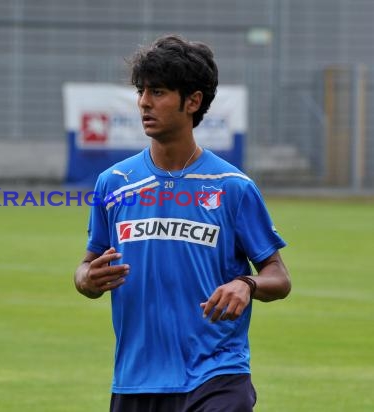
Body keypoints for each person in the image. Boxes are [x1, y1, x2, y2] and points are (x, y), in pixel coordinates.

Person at [73, 34, 291, 412]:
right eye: (142, 91)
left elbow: (279, 276)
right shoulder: (114, 183)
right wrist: (86, 280)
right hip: (136, 378)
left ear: (193, 101)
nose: (144, 102)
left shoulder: (233, 188)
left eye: (158, 91)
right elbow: (85, 269)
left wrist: (247, 283)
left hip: (217, 374)